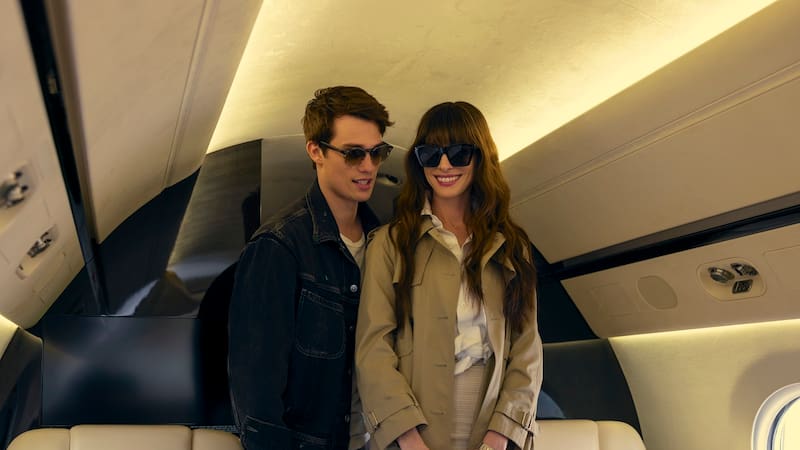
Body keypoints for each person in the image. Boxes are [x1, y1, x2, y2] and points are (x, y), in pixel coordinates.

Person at [355, 101, 542, 450]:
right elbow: (373, 348)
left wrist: (501, 435)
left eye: (458, 153)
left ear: (480, 157)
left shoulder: (512, 247)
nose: (443, 165)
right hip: (413, 428)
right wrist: (408, 438)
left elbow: (527, 347)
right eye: (431, 154)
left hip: (492, 427)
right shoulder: (389, 244)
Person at [228, 86, 394, 450]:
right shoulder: (278, 246)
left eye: (377, 152)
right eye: (353, 153)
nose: (368, 166)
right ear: (316, 151)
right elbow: (256, 394)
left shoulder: (387, 244)